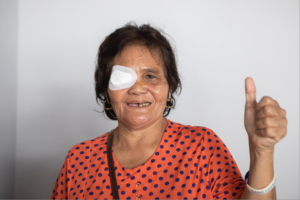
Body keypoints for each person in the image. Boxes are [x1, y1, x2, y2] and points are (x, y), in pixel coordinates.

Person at [51, 23, 287, 199]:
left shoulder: (202, 146)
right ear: (106, 88)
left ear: (169, 86)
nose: (138, 88)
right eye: (123, 78)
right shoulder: (78, 159)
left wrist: (262, 152)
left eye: (150, 76)